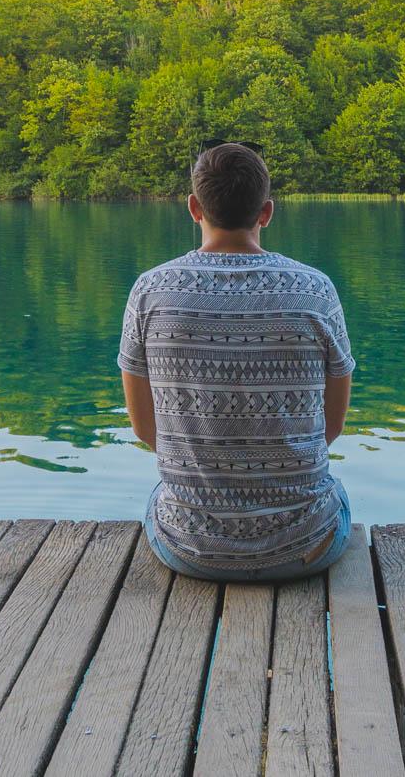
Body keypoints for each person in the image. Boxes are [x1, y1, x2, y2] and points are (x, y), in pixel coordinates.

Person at [118, 142, 354, 582]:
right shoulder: (316, 291)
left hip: (190, 548)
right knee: (336, 495)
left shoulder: (149, 292)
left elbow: (145, 429)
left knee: (159, 494)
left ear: (193, 208)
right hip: (304, 545)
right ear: (266, 212)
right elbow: (330, 430)